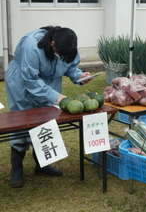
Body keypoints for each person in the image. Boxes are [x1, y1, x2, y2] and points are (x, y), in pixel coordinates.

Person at [5, 26, 92, 188]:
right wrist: (56, 97)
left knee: (47, 121)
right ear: (52, 44)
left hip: (50, 82)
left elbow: (70, 67)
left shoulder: (68, 45)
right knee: (23, 121)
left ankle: (42, 164)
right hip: (22, 82)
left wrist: (79, 76)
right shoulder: (32, 45)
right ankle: (17, 168)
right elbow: (30, 79)